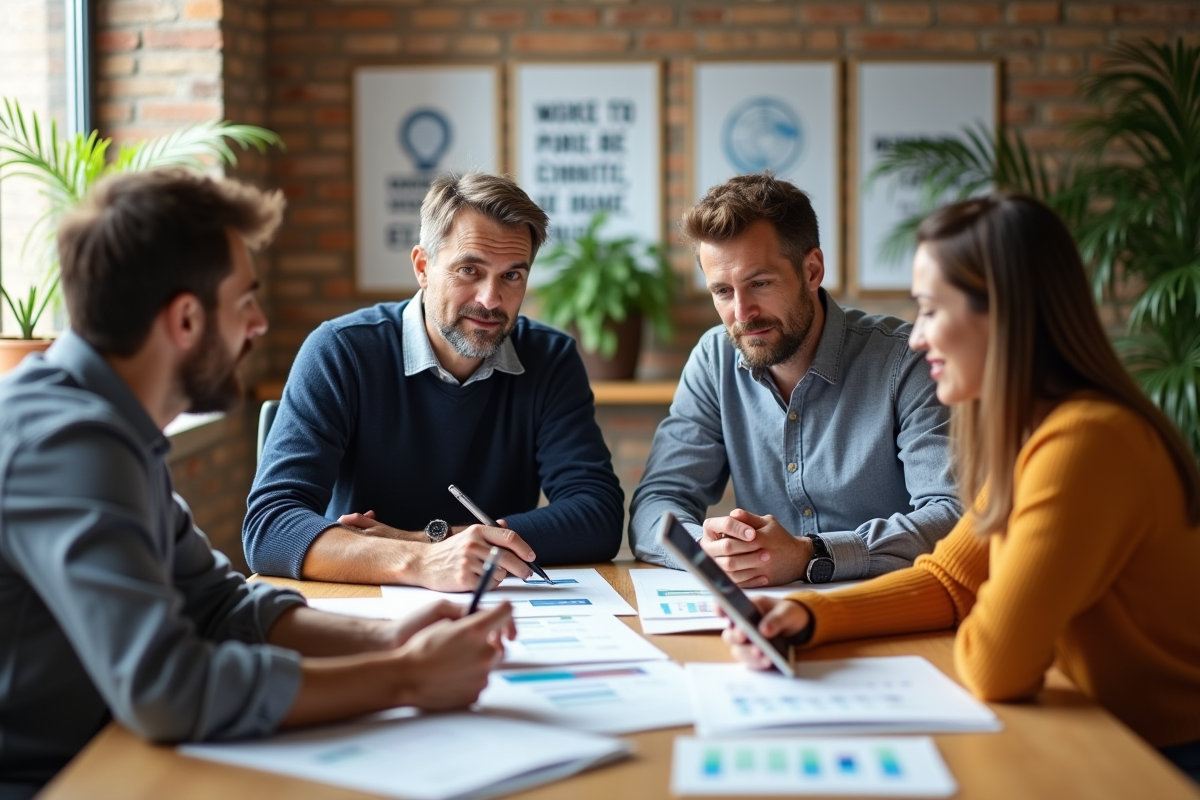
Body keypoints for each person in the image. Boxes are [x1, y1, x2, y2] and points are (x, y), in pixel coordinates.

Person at [0, 170, 514, 798]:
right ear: (186, 319)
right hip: (57, 778)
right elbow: (169, 689)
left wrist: (387, 637)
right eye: (245, 300)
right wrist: (404, 678)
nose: (260, 324)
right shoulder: (66, 444)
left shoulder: (110, 428)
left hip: (113, 754)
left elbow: (219, 606)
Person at [723, 194, 1200, 783]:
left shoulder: (1085, 442)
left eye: (930, 310)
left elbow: (997, 664)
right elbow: (950, 581)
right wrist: (803, 616)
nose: (918, 338)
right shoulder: (1039, 433)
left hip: (1162, 757)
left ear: (1003, 314)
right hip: (1106, 730)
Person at [243, 172, 623, 590]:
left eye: (512, 276)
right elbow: (271, 526)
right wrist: (420, 562)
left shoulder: (550, 358)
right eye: (469, 270)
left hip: (497, 605)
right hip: (361, 601)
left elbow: (597, 514)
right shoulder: (341, 351)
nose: (490, 299)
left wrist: (427, 541)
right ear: (423, 267)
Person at [629, 173, 961, 586]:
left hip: (887, 605)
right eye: (723, 292)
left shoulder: (905, 361)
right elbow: (655, 505)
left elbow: (952, 516)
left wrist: (813, 555)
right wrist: (706, 551)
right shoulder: (714, 359)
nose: (742, 312)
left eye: (760, 283)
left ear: (812, 270)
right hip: (764, 615)